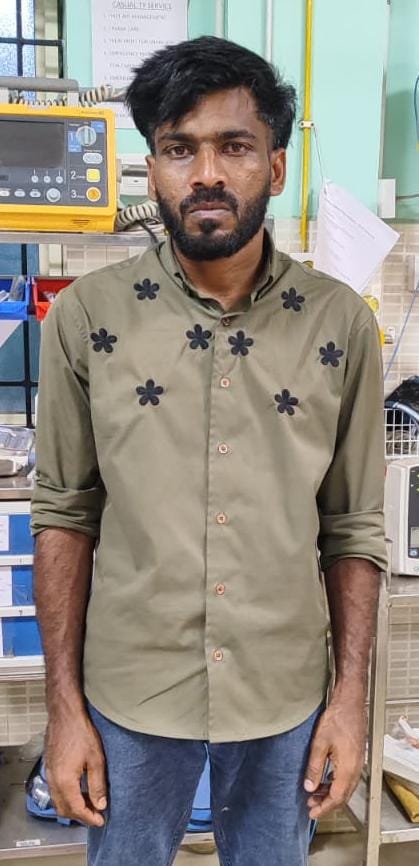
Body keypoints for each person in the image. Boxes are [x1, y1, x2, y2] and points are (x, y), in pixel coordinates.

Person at [32, 36, 387, 866]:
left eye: (234, 146)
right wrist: (63, 709)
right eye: (178, 148)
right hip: (129, 695)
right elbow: (65, 514)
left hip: (284, 695)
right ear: (152, 168)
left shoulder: (338, 324)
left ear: (276, 165)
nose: (205, 174)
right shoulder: (87, 317)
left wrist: (348, 702)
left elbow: (352, 526)